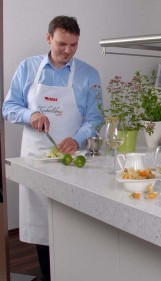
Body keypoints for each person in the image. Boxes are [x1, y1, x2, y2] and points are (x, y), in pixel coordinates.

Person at [2, 16, 103, 281]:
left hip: (72, 160)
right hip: (36, 158)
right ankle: (49, 274)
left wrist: (78, 138)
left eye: (73, 45)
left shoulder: (88, 74)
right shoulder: (28, 68)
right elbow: (8, 107)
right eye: (61, 44)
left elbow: (95, 118)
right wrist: (30, 115)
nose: (67, 51)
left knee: (72, 218)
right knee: (42, 221)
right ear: (49, 39)